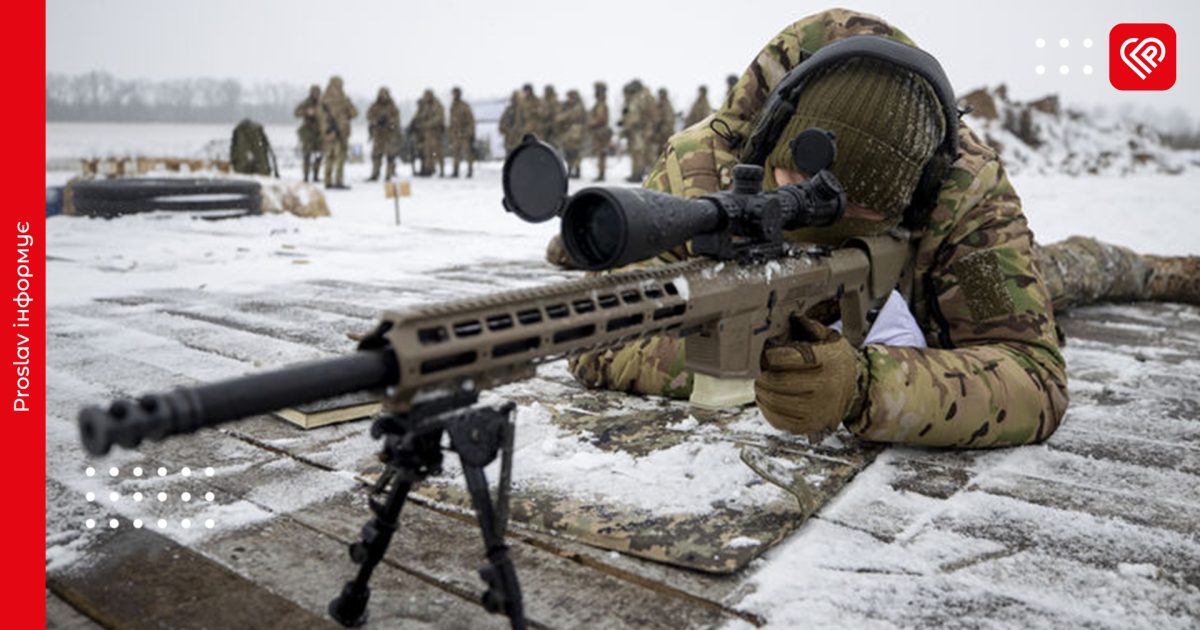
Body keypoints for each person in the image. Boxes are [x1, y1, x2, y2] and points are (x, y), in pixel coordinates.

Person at [560, 9, 1199, 448]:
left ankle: (1167, 270)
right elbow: (595, 337)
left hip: (931, 288)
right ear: (770, 147)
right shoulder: (705, 170)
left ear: (909, 199)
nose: (814, 225)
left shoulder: (964, 196)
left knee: (1072, 270)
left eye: (855, 218)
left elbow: (1033, 377)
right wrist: (743, 361)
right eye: (794, 192)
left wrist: (865, 386)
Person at [318, 76, 357, 189]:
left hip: (339, 133)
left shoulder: (338, 99)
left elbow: (354, 113)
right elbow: (321, 117)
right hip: (333, 133)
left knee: (332, 158)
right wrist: (328, 129)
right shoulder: (327, 101)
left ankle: (330, 181)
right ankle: (335, 181)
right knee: (336, 158)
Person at [617, 79, 657, 183]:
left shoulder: (641, 98)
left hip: (640, 130)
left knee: (639, 152)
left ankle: (639, 174)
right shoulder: (639, 98)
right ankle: (638, 173)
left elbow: (635, 117)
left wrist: (627, 127)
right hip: (639, 130)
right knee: (638, 152)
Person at [366, 87, 403, 182]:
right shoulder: (374, 106)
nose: (383, 97)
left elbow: (396, 119)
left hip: (389, 135)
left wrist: (389, 122)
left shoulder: (392, 107)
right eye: (381, 95)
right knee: (376, 156)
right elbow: (369, 116)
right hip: (378, 134)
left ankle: (389, 174)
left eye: (384, 94)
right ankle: (375, 173)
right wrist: (377, 121)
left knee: (390, 156)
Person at [413, 89, 446, 177]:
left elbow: (439, 118)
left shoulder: (437, 105)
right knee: (427, 152)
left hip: (436, 133)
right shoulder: (425, 106)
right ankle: (428, 169)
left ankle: (442, 170)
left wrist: (427, 124)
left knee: (438, 153)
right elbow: (419, 117)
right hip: (427, 134)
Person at [293, 85, 322, 182]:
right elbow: (296, 113)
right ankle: (305, 176)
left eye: (317, 92)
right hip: (308, 132)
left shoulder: (322, 103)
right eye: (314, 92)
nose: (316, 95)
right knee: (307, 155)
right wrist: (306, 112)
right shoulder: (306, 103)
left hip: (320, 132)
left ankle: (316, 176)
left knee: (319, 155)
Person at [556, 89, 587, 178]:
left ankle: (577, 170)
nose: (569, 99)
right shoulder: (566, 106)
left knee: (575, 152)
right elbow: (558, 119)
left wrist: (565, 116)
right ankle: (569, 169)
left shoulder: (578, 107)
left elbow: (574, 116)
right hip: (567, 133)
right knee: (568, 152)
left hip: (576, 133)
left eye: (571, 97)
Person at [449, 87, 476, 178]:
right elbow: (452, 121)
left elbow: (470, 120)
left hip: (465, 134)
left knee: (468, 153)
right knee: (455, 154)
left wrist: (469, 132)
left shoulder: (464, 106)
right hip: (456, 134)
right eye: (453, 93)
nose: (454, 95)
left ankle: (470, 170)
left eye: (456, 93)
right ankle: (455, 171)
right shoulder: (453, 106)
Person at [588, 81, 612, 182]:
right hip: (600, 132)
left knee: (601, 154)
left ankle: (601, 174)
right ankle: (600, 173)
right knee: (601, 153)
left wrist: (591, 123)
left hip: (601, 132)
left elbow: (601, 118)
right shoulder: (600, 104)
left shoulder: (601, 104)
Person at [653, 87, 676, 155]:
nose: (659, 96)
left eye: (661, 94)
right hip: (661, 134)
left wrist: (661, 128)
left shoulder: (666, 105)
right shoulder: (659, 105)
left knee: (665, 152)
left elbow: (669, 121)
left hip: (665, 134)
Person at [499, 90, 522, 154]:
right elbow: (502, 124)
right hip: (510, 141)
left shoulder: (524, 110)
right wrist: (506, 129)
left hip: (522, 140)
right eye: (514, 98)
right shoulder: (508, 110)